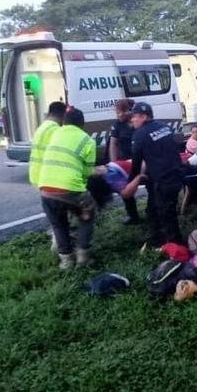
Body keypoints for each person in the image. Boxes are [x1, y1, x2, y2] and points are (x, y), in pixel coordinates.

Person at [37, 107, 97, 269]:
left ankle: (66, 261)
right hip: (70, 188)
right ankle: (83, 255)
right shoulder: (87, 140)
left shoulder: (55, 134)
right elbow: (87, 172)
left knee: (58, 224)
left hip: (45, 188)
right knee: (88, 215)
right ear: (82, 124)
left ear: (64, 122)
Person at [122, 102, 185, 246]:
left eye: (135, 117)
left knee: (167, 215)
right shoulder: (165, 127)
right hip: (176, 174)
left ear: (144, 117)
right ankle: (156, 238)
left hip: (164, 180)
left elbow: (136, 164)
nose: (132, 120)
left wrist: (130, 183)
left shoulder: (139, 135)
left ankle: (178, 248)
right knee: (154, 209)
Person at [109, 98, 139, 224]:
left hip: (139, 159)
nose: (119, 115)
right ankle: (132, 215)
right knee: (125, 188)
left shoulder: (137, 122)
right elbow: (113, 144)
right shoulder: (117, 125)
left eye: (122, 112)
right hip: (124, 161)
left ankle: (153, 210)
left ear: (130, 111)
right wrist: (114, 163)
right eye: (117, 112)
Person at [28, 101, 67, 187]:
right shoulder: (55, 130)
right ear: (63, 116)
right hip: (47, 177)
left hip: (36, 174)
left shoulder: (42, 127)